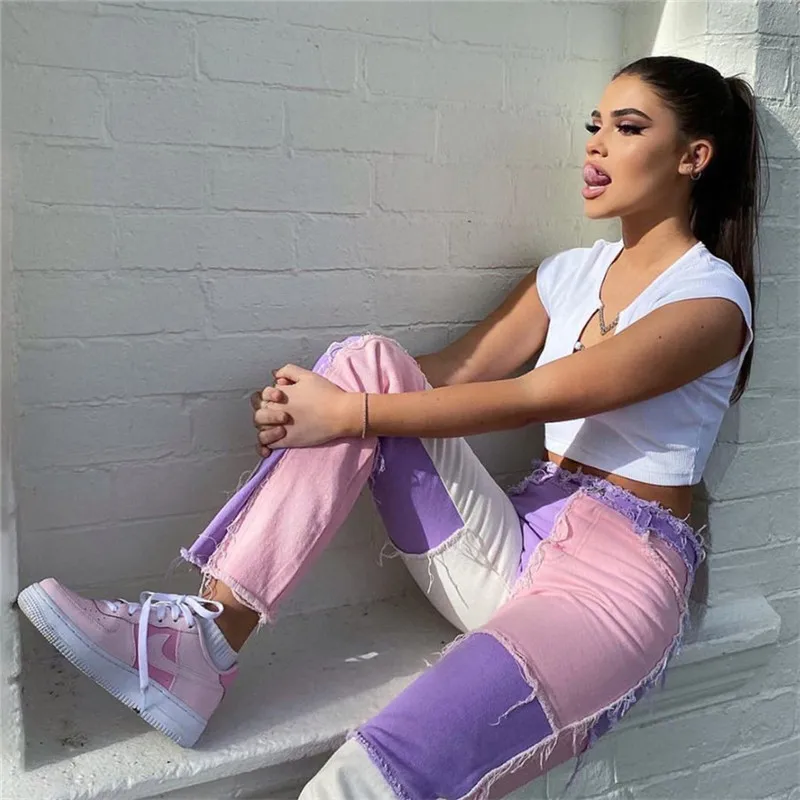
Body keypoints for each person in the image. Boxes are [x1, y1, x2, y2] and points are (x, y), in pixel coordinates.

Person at [17, 54, 764, 799]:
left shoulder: (711, 300)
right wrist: (311, 404)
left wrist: (347, 414)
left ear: (693, 157)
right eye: (594, 125)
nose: (596, 145)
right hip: (512, 543)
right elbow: (443, 373)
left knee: (376, 775)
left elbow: (538, 396)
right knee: (364, 360)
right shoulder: (567, 274)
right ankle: (203, 639)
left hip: (612, 586)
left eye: (627, 128)